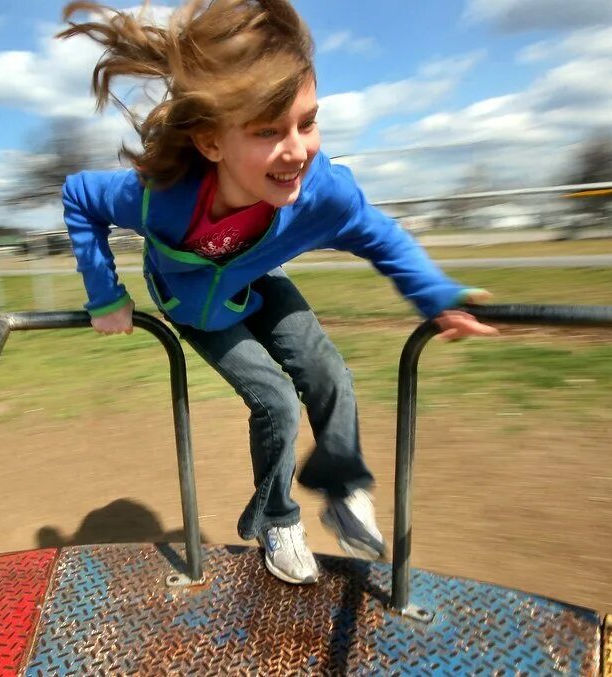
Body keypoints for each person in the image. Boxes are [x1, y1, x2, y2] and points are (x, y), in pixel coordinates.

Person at [57, 0, 498, 585]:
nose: (297, 150)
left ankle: (342, 487)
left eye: (307, 122)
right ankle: (277, 519)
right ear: (211, 142)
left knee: (327, 370)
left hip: (257, 276)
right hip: (194, 303)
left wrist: (437, 296)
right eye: (269, 131)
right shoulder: (158, 197)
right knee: (276, 401)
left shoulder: (323, 193)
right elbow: (79, 195)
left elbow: (382, 237)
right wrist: (105, 292)